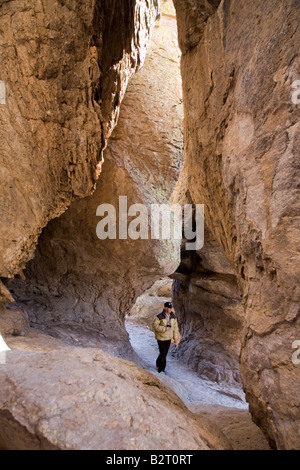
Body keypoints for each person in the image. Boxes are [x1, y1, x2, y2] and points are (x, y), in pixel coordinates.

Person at [152, 301, 180, 373]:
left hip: (168, 338)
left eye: (171, 308)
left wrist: (175, 338)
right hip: (161, 338)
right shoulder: (159, 316)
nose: (170, 309)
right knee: (163, 354)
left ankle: (158, 363)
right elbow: (155, 326)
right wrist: (164, 329)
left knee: (163, 353)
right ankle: (161, 369)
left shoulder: (173, 317)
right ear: (165, 308)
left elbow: (175, 328)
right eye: (168, 308)